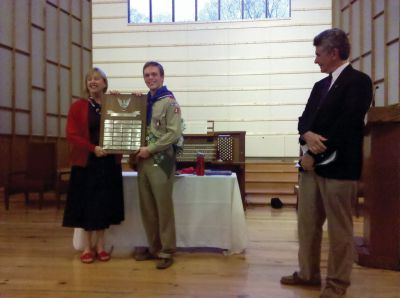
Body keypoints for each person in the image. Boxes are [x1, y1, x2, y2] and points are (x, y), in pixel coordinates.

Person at [280, 28, 372, 298]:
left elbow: (346, 126)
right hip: (312, 170)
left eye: (318, 54)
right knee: (307, 224)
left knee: (339, 230)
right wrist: (305, 134)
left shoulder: (359, 82)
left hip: (340, 169)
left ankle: (336, 284)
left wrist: (312, 154)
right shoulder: (320, 86)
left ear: (334, 53)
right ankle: (308, 274)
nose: (315, 60)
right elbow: (304, 120)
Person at [63, 67, 124, 264]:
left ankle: (101, 246)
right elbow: (71, 134)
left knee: (104, 204)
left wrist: (121, 104)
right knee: (87, 205)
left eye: (97, 78)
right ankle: (87, 247)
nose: (93, 81)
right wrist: (92, 148)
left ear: (105, 83)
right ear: (86, 84)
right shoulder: (78, 106)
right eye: (90, 79)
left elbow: (127, 120)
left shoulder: (112, 104)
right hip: (86, 162)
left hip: (108, 163)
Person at [133, 61, 182, 269]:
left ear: (162, 77)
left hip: (160, 160)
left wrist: (150, 149)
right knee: (148, 209)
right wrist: (117, 99)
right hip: (142, 160)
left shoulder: (169, 102)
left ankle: (167, 250)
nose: (150, 78)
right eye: (147, 75)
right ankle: (154, 247)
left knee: (163, 207)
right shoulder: (143, 101)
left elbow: (174, 133)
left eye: (154, 74)